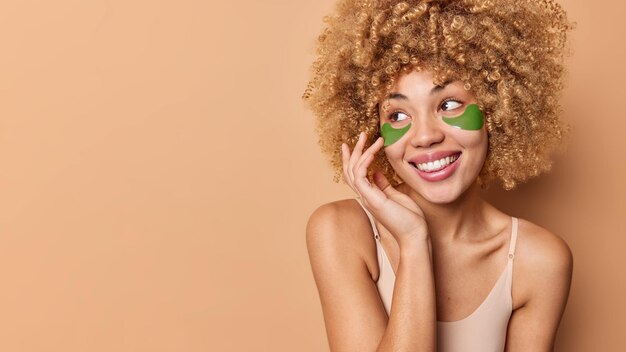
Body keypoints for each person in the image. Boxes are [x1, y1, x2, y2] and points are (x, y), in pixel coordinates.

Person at [302, 0, 574, 351]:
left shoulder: (537, 261)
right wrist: (414, 242)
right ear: (374, 132)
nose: (425, 136)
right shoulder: (341, 231)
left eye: (448, 105)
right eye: (398, 115)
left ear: (495, 109)